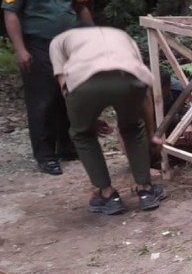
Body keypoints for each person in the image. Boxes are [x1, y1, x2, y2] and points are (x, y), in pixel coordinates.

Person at [2, 0, 94, 175]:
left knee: (69, 94)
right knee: (44, 100)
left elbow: (81, 7)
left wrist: (94, 36)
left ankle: (67, 146)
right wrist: (20, 49)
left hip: (70, 44)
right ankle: (45, 155)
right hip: (38, 45)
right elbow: (11, 14)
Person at [49, 25, 166, 215]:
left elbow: (65, 86)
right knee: (133, 128)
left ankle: (107, 194)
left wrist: (87, 119)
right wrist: (151, 134)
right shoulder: (121, 35)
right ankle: (146, 190)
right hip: (129, 79)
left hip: (84, 83)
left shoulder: (58, 41)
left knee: (82, 134)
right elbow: (144, 90)